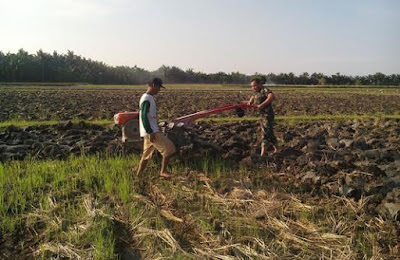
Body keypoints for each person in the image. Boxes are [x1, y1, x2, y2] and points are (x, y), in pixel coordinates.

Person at [136, 77, 176, 178]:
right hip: (151, 131)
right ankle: (163, 171)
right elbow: (143, 116)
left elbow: (148, 116)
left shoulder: (148, 97)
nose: (159, 90)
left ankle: (138, 176)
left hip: (149, 131)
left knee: (146, 156)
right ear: (154, 85)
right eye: (159, 87)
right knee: (170, 149)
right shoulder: (147, 99)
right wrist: (150, 131)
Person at [247, 78, 277, 156]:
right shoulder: (256, 92)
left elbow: (271, 96)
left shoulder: (264, 90)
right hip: (262, 115)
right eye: (252, 86)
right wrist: (250, 102)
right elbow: (253, 97)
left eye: (255, 85)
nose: (253, 87)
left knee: (265, 133)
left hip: (267, 115)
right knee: (269, 132)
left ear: (260, 84)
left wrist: (262, 105)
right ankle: (277, 149)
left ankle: (262, 154)